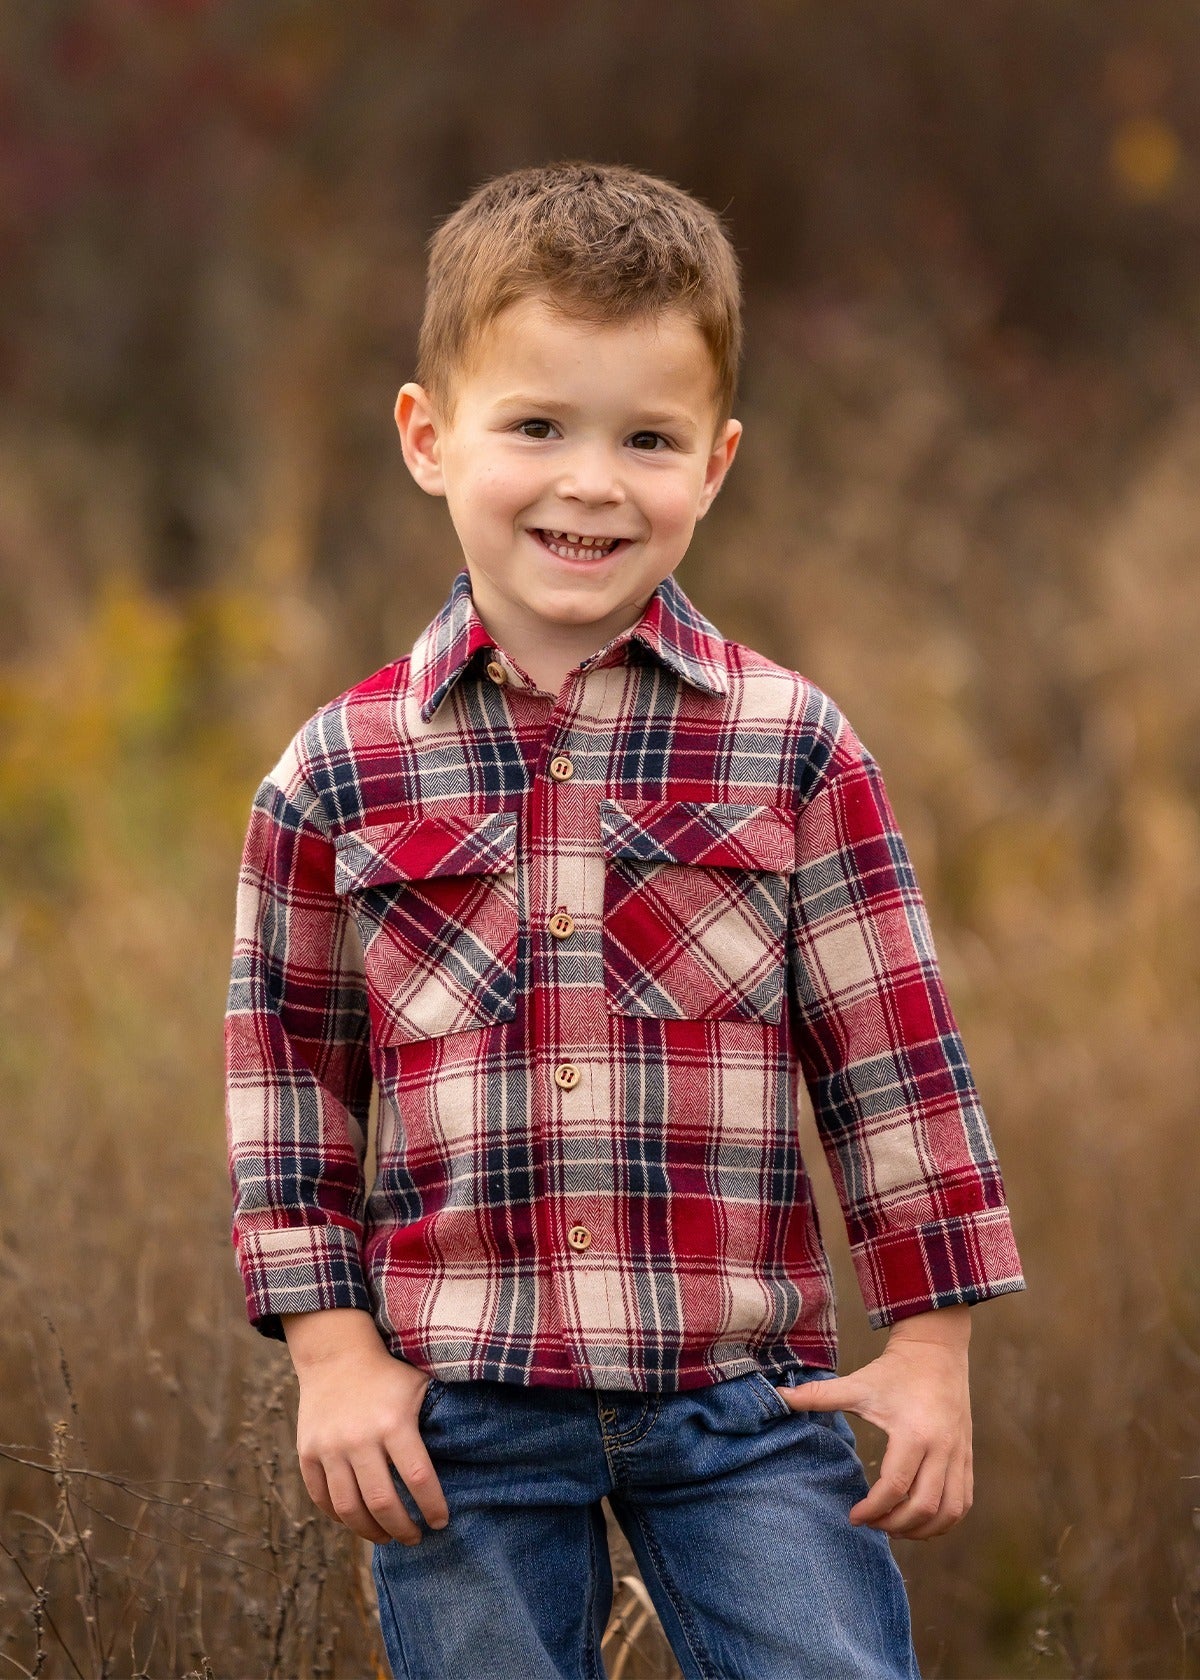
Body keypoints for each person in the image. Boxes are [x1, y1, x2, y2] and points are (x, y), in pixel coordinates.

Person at [224, 160, 1026, 1680]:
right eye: (537, 427)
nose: (592, 482)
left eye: (646, 439)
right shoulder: (338, 772)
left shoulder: (790, 747)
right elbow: (288, 1086)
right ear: (428, 437)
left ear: (714, 466)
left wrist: (932, 1347)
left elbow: (895, 1062)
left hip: (744, 1400)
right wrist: (331, 1352)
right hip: (457, 1408)